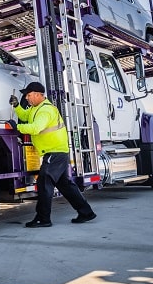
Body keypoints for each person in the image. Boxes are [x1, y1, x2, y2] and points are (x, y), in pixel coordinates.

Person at [9, 81, 96, 228]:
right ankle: (86, 213)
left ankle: (43, 219)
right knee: (65, 185)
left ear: (38, 95)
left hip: (54, 152)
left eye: (29, 95)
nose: (27, 98)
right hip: (57, 152)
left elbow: (35, 128)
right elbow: (25, 115)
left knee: (44, 183)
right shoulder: (35, 108)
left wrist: (17, 127)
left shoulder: (46, 111)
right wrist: (17, 106)